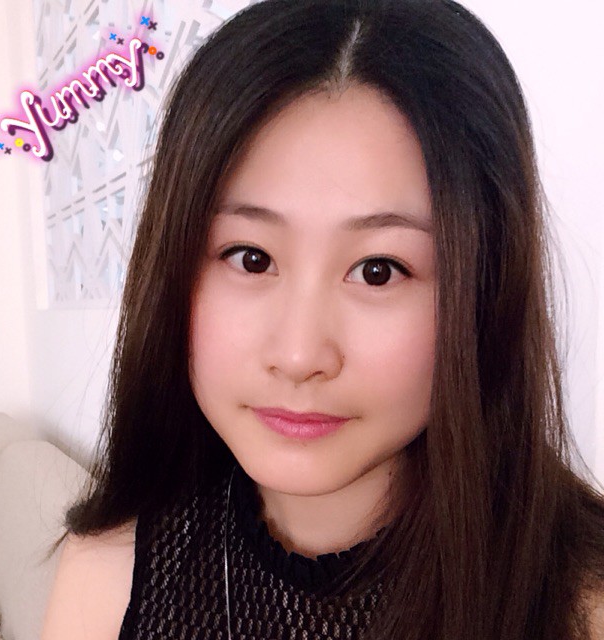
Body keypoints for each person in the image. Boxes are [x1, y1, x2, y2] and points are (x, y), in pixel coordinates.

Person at [40, 0, 604, 638]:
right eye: (250, 258)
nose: (300, 354)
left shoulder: (580, 605)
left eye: (378, 270)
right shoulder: (108, 577)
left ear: (486, 288)